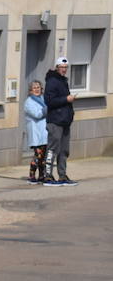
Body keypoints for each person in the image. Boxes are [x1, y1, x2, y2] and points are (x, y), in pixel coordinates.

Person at [43, 57, 77, 185]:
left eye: (66, 68)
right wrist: (66, 99)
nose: (64, 70)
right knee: (52, 149)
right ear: (57, 67)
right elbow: (50, 101)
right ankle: (48, 175)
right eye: (62, 67)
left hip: (65, 121)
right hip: (55, 121)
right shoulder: (52, 81)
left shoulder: (63, 81)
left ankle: (62, 175)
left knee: (64, 150)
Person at [24, 80, 48, 184]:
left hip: (44, 132)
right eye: (34, 88)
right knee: (38, 155)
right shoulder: (29, 102)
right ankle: (32, 175)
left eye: (38, 87)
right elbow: (37, 114)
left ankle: (42, 176)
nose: (37, 89)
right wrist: (48, 108)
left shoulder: (43, 99)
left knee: (43, 156)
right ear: (30, 90)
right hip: (36, 133)